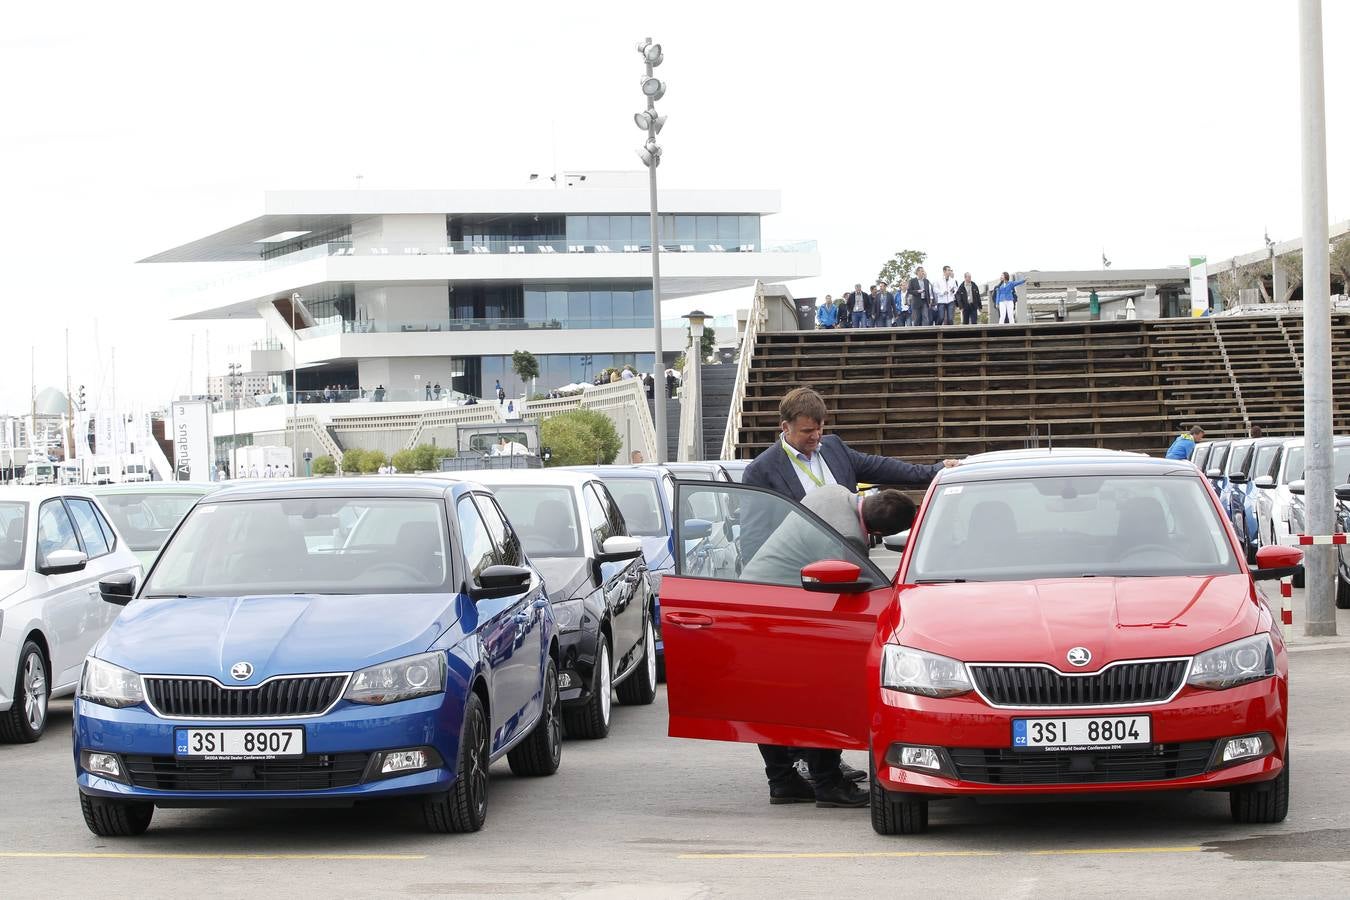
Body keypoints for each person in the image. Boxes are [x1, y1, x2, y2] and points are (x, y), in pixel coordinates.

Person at [740, 386, 959, 810]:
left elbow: (881, 465)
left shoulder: (834, 467)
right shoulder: (762, 472)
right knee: (812, 691)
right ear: (784, 427)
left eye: (820, 429)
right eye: (807, 431)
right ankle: (820, 781)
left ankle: (790, 778)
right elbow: (754, 535)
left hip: (815, 589)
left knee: (790, 694)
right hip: (785, 598)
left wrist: (935, 471)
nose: (815, 437)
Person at [741, 486, 916, 584]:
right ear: (878, 533)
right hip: (772, 597)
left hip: (752, 582)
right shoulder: (846, 539)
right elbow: (860, 586)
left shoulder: (833, 490)